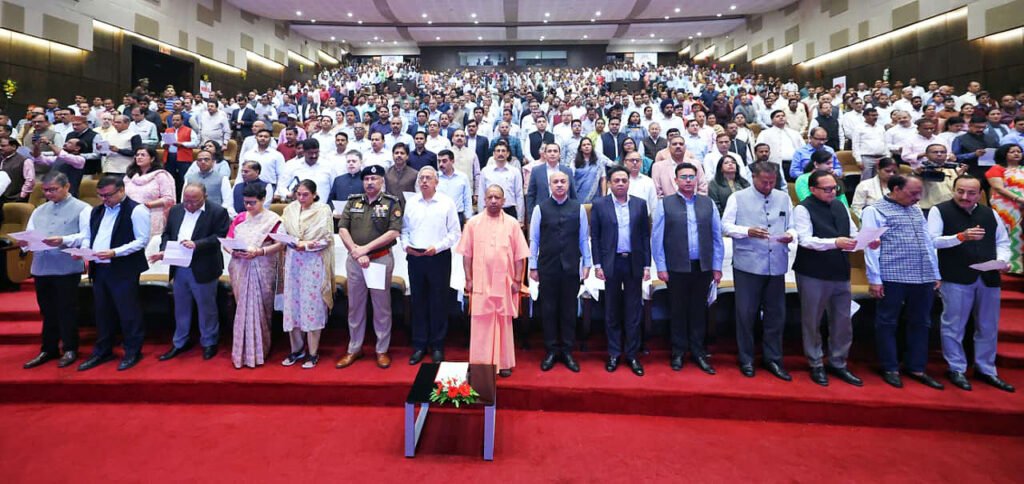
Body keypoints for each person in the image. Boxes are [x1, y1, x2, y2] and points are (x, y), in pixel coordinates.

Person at [928, 175, 1015, 392]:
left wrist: (1003, 261)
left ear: (980, 194)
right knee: (954, 325)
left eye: (971, 193)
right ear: (953, 190)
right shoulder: (940, 210)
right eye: (960, 191)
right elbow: (931, 241)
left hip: (989, 276)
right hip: (955, 275)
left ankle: (986, 369)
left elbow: (1002, 242)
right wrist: (959, 237)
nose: (965, 196)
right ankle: (956, 368)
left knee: (988, 326)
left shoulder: (990, 213)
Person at [862, 174, 944, 389]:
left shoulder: (916, 209)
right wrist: (874, 279)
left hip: (923, 275)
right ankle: (890, 367)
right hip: (892, 275)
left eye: (919, 193)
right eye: (913, 193)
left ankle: (917, 367)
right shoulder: (874, 210)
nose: (917, 198)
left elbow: (927, 242)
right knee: (888, 322)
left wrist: (935, 272)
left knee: (922, 322)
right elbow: (871, 247)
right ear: (896, 189)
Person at [793, 171, 874, 387]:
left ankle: (839, 361)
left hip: (840, 269)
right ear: (812, 189)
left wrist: (866, 241)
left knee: (843, 320)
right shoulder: (803, 208)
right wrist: (835, 243)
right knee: (812, 320)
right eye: (826, 189)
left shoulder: (840, 206)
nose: (832, 192)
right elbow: (805, 240)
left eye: (834, 188)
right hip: (812, 271)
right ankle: (815, 362)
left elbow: (853, 233)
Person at [722, 162, 796, 380]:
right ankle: (746, 358)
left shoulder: (783, 197)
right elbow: (725, 226)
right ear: (753, 177)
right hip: (748, 264)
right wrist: (747, 231)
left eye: (772, 182)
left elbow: (792, 226)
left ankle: (773, 358)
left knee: (776, 314)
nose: (768, 186)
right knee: (746, 314)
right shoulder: (738, 197)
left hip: (776, 264)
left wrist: (791, 235)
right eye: (764, 182)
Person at [653, 163, 723, 373]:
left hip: (703, 266)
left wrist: (717, 266)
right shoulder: (665, 204)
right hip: (675, 267)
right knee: (678, 310)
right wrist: (661, 266)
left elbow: (717, 237)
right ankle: (678, 351)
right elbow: (657, 238)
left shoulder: (707, 203)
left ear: (697, 179)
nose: (688, 181)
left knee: (699, 310)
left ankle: (698, 351)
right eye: (683, 177)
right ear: (676, 180)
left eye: (692, 177)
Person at [77, 175, 151, 371]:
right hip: (99, 267)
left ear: (121, 191)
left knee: (128, 312)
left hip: (123, 268)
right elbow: (89, 236)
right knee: (102, 312)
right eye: (100, 195)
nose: (104, 199)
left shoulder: (137, 210)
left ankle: (133, 350)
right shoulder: (97, 210)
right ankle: (103, 350)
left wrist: (115, 252)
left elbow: (142, 240)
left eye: (108, 195)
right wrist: (84, 251)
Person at [149, 182, 230, 361]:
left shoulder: (217, 212)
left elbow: (220, 236)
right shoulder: (176, 210)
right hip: (179, 266)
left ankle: (209, 341)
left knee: (206, 308)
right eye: (186, 200)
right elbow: (167, 234)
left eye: (194, 201)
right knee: (181, 307)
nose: (189, 205)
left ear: (205, 197)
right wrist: (164, 250)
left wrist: (197, 244)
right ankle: (180, 342)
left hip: (204, 266)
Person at [19, 172, 90, 369]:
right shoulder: (39, 210)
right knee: (47, 311)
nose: (49, 194)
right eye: (45, 190)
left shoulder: (83, 208)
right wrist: (25, 243)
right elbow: (30, 233)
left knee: (67, 309)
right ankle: (48, 348)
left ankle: (70, 348)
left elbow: (87, 235)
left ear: (66, 187)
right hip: (41, 267)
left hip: (66, 266)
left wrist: (64, 239)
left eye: (53, 190)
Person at [336, 165, 403, 370]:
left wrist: (365, 249)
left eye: (374, 179)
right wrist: (356, 251)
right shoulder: (353, 201)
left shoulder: (391, 202)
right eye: (366, 179)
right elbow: (342, 228)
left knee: (381, 307)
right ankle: (354, 348)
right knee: (355, 306)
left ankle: (381, 350)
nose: (370, 182)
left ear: (382, 181)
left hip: (379, 260)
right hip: (355, 260)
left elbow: (393, 232)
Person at [457, 185, 529, 377]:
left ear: (504, 201)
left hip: (505, 282)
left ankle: (504, 363)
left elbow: (520, 255)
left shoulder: (512, 224)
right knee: (480, 322)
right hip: (480, 282)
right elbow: (466, 255)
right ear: (484, 200)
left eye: (497, 197)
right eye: (490, 197)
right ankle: (480, 364)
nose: (494, 200)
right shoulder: (473, 223)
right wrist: (468, 279)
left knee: (503, 322)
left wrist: (517, 280)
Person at [529, 170, 593, 372]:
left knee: (568, 310)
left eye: (562, 181)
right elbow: (534, 239)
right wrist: (532, 265)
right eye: (555, 181)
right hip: (547, 267)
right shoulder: (540, 209)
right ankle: (550, 350)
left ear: (568, 184)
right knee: (548, 310)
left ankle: (567, 350)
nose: (559, 184)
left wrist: (587, 263)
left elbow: (583, 238)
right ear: (550, 185)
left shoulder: (578, 208)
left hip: (571, 266)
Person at [591, 166, 650, 376]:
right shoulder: (600, 204)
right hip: (611, 263)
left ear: (629, 182)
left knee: (633, 311)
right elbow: (595, 237)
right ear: (609, 183)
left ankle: (632, 354)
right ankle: (614, 353)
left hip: (633, 262)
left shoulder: (640, 204)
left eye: (624, 180)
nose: (621, 184)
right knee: (612, 310)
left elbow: (645, 236)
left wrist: (646, 265)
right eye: (616, 180)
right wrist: (597, 265)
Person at [403, 167, 461, 364]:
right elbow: (404, 229)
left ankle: (437, 345)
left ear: (437, 182)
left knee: (438, 301)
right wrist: (406, 246)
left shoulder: (446, 202)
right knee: (418, 301)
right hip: (415, 257)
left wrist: (437, 247)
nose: (424, 181)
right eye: (421, 178)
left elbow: (455, 233)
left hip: (438, 257)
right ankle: (419, 345)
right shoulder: (411, 202)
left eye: (428, 178)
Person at [226, 183, 285, 369]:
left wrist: (260, 251)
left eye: (253, 203)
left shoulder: (273, 220)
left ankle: (260, 350)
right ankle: (241, 352)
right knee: (242, 308)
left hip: (262, 266)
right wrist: (233, 251)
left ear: (263, 200)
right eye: (246, 203)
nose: (249, 206)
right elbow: (227, 241)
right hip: (240, 266)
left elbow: (281, 244)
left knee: (260, 310)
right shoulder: (240, 218)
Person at [279, 180, 335, 369]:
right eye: (298, 194)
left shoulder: (323, 210)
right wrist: (292, 241)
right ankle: (296, 349)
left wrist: (308, 245)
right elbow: (282, 232)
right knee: (293, 305)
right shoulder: (290, 209)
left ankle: (313, 352)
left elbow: (327, 238)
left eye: (305, 194)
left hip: (313, 262)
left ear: (314, 194)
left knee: (311, 305)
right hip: (293, 261)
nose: (301, 198)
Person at [986, 144, 1024, 274]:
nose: (1016, 154)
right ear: (1004, 154)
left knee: (1021, 235)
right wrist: (1019, 200)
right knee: (1008, 234)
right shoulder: (997, 168)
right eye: (1012, 151)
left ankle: (1019, 267)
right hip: (1005, 206)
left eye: (1019, 151)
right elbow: (999, 188)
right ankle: (1005, 264)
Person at [478, 140, 525, 223]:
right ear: (493, 154)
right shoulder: (485, 171)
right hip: (490, 211)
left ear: (508, 154)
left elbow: (519, 195)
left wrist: (520, 218)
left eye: (503, 151)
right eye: (498, 151)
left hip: (509, 211)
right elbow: (482, 194)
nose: (500, 153)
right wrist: (480, 215)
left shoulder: (515, 171)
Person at [526, 143, 576, 220]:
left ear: (559, 154)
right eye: (549, 151)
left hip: (565, 212)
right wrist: (531, 216)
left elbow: (573, 194)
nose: (552, 154)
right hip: (543, 213)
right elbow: (531, 195)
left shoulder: (567, 171)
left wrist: (574, 213)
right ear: (545, 154)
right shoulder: (536, 171)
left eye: (555, 151)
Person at [573, 137, 611, 204]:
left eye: (588, 144)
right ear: (580, 148)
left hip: (595, 196)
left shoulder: (599, 162)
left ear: (592, 147)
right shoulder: (574, 162)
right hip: (579, 195)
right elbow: (571, 179)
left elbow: (603, 179)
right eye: (584, 145)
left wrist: (604, 196)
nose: (586, 146)